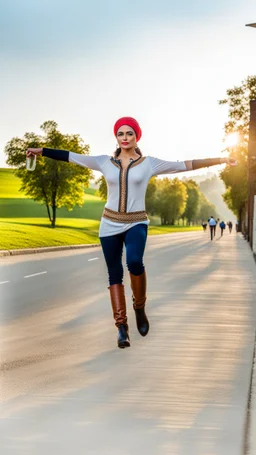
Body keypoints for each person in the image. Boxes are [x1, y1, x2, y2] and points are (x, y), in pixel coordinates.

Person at [26, 117, 237, 349]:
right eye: (120, 134)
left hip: (136, 223)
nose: (125, 138)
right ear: (116, 137)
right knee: (114, 274)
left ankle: (139, 306)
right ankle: (121, 328)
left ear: (137, 137)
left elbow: (184, 165)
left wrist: (221, 160)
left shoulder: (149, 164)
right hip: (109, 224)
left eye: (129, 134)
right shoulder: (103, 162)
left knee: (135, 262)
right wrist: (41, 151)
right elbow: (70, 156)